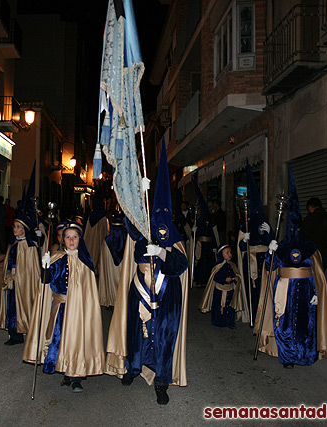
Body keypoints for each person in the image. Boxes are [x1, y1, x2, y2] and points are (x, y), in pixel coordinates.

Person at [106, 140, 189, 405]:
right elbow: (126, 227)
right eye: (157, 224)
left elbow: (181, 266)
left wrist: (163, 253)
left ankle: (161, 381)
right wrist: (130, 193)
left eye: (165, 224)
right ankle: (133, 367)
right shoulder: (142, 237)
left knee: (164, 336)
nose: (161, 228)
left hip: (167, 298)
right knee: (137, 332)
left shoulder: (175, 242)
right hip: (139, 292)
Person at [254, 168, 327, 369]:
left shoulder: (310, 248)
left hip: (306, 292)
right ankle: (288, 357)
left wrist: (316, 292)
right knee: (285, 326)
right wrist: (271, 251)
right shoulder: (283, 247)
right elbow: (270, 266)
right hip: (285, 294)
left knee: (305, 326)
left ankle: (306, 354)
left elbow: (317, 273)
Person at [23, 222, 105, 393]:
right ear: (63, 240)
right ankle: (65, 372)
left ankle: (76, 376)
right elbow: (46, 281)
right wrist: (45, 266)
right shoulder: (57, 258)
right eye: (68, 237)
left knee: (76, 340)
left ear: (80, 240)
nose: (71, 240)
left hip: (79, 311)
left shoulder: (85, 262)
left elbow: (89, 292)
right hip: (60, 308)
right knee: (59, 339)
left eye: (75, 237)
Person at [237, 162, 273, 326]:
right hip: (250, 261)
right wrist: (244, 240)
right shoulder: (245, 225)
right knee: (252, 289)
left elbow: (272, 243)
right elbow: (241, 248)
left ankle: (264, 316)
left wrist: (271, 234)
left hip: (264, 261)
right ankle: (252, 314)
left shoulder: (265, 225)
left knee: (265, 289)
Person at [0, 213, 40, 345]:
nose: (15, 229)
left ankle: (25, 330)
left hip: (22, 282)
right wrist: (9, 272)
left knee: (21, 306)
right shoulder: (13, 244)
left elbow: (31, 269)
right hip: (12, 280)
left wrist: (19, 275)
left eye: (18, 227)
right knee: (11, 307)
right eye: (14, 227)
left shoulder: (30, 247)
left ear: (24, 229)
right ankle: (14, 334)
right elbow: (9, 262)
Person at [199, 244, 244, 328]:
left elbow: (236, 273)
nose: (229, 254)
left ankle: (229, 322)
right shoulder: (218, 266)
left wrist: (236, 278)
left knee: (229, 306)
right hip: (220, 290)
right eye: (227, 252)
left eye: (230, 252)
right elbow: (215, 277)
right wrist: (224, 279)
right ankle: (218, 321)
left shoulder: (232, 265)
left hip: (230, 290)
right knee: (218, 306)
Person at [97, 216, 126, 307]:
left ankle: (110, 300)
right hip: (123, 270)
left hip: (111, 269)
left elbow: (103, 262)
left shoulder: (107, 241)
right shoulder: (127, 241)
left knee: (110, 278)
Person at [303, 197, 327, 270]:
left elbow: (304, 234)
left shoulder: (310, 219)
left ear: (310, 207)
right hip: (324, 253)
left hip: (311, 253)